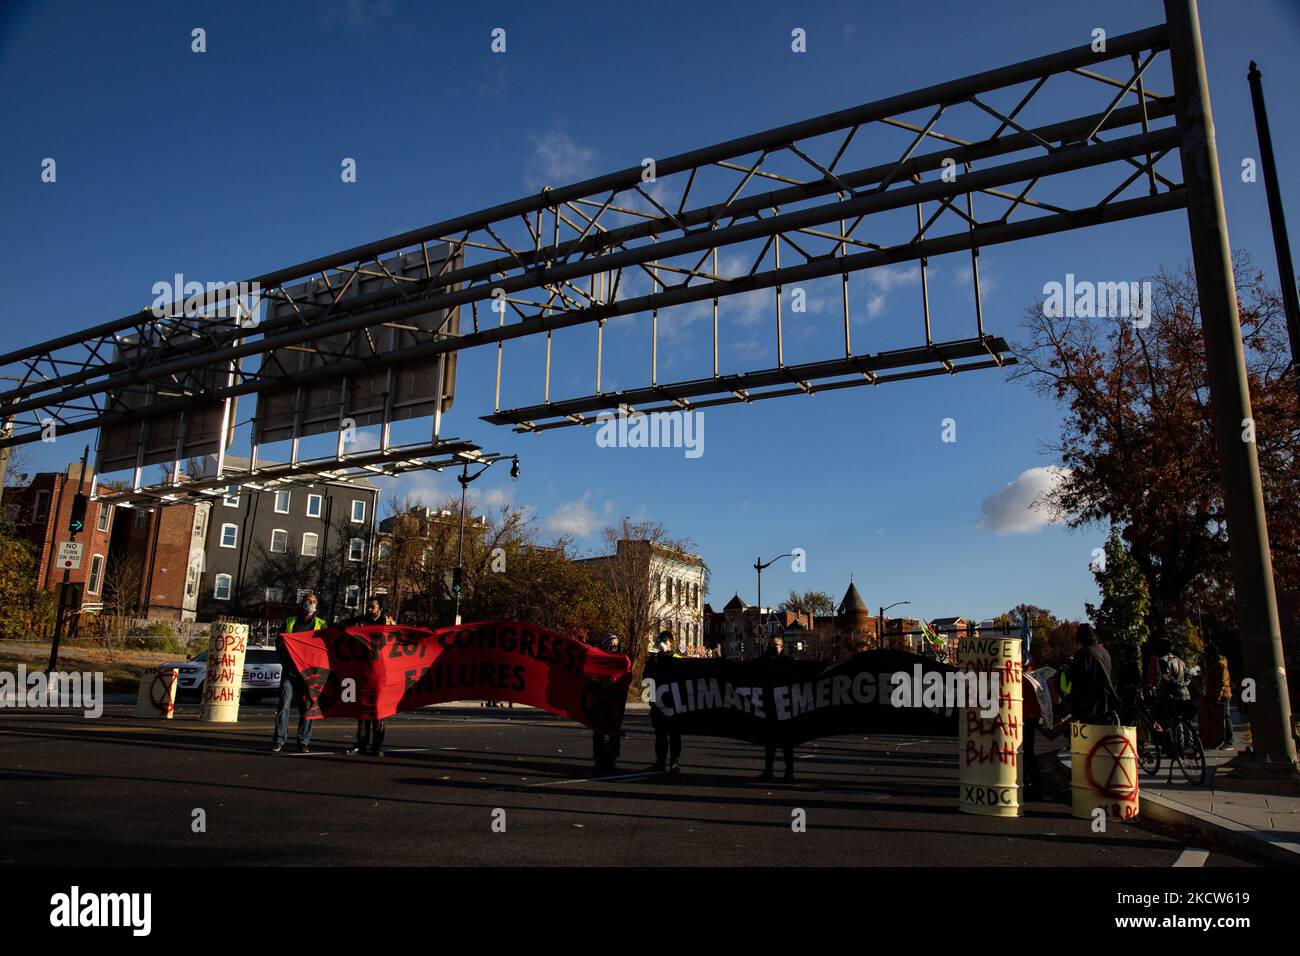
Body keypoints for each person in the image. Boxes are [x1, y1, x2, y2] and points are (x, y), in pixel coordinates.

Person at [273, 592, 326, 753]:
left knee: (307, 707)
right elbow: (280, 642)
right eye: (307, 600)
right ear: (302, 603)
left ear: (316, 606)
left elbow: (324, 648)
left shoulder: (320, 624)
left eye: (313, 601)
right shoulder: (290, 622)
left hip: (309, 674)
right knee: (284, 705)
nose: (310, 603)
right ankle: (279, 740)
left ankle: (303, 741)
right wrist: (284, 661)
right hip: (290, 671)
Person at [346, 595, 393, 757]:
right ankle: (361, 743)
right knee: (363, 709)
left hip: (380, 672)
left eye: (373, 606)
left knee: (378, 711)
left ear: (380, 608)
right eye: (369, 606)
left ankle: (377, 745)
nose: (370, 609)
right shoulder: (363, 620)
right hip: (364, 670)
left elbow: (395, 638)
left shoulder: (386, 623)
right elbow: (345, 627)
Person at [1064, 624, 1121, 725]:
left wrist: (1072, 705)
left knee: (1088, 739)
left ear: (1080, 638)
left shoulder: (1084, 654)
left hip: (1090, 706)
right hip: (1107, 703)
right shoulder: (1104, 653)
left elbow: (1077, 681)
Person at [645, 630, 683, 774]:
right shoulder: (654, 660)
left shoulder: (678, 658)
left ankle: (674, 762)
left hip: (675, 703)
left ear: (671, 643)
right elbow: (647, 680)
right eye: (661, 641)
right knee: (660, 733)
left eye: (665, 641)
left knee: (674, 733)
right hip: (659, 703)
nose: (663, 644)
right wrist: (650, 699)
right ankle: (660, 762)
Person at [759, 636, 796, 782]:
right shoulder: (763, 662)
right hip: (768, 706)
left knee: (787, 742)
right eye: (769, 645)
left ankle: (789, 771)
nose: (772, 647)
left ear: (782, 646)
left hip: (785, 706)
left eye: (775, 645)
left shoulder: (788, 662)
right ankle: (768, 770)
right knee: (769, 742)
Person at [591, 633, 623, 772]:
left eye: (616, 644)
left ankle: (613, 756)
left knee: (614, 730)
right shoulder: (598, 660)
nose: (615, 647)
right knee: (599, 730)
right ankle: (598, 756)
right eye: (612, 644)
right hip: (600, 700)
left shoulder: (621, 660)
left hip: (615, 701)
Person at [1145, 637, 1191, 726]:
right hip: (1185, 695)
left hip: (1171, 696)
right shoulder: (1181, 661)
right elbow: (1188, 678)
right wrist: (1182, 684)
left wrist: (1173, 684)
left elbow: (1165, 676)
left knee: (1155, 716)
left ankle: (1164, 737)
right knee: (1181, 723)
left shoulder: (1163, 660)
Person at [1202, 643, 1233, 749]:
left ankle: (1229, 741)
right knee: (1219, 720)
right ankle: (1220, 740)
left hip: (1222, 696)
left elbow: (1222, 683)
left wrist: (1217, 697)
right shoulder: (1214, 664)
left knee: (1225, 718)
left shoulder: (1220, 664)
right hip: (1215, 695)